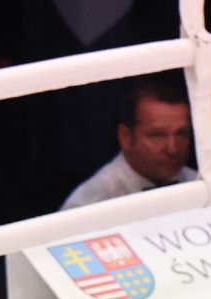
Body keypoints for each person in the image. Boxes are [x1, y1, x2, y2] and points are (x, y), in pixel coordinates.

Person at [61, 73, 199, 209]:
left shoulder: (199, 183)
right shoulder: (89, 204)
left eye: (181, 134)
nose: (172, 149)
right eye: (157, 136)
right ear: (125, 137)